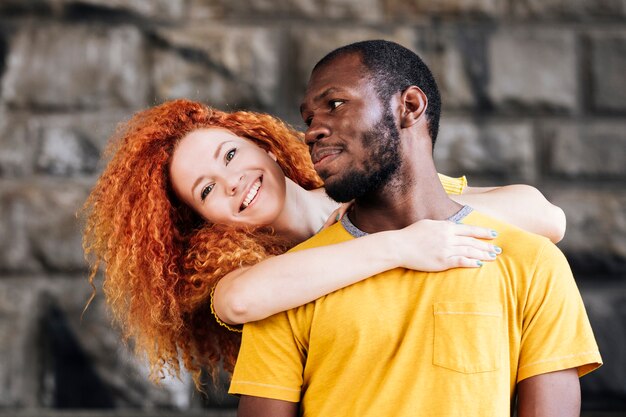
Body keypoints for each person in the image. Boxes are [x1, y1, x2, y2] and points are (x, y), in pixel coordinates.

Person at [82, 99, 565, 392]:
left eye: (230, 155)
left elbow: (547, 217)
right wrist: (396, 244)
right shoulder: (257, 277)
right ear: (204, 219)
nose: (231, 182)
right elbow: (238, 300)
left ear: (263, 144)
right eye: (206, 190)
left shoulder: (371, 189)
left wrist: (388, 218)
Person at [229, 40, 602, 416]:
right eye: (309, 119)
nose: (311, 132)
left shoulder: (531, 262)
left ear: (409, 106)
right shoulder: (291, 287)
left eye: (335, 104)